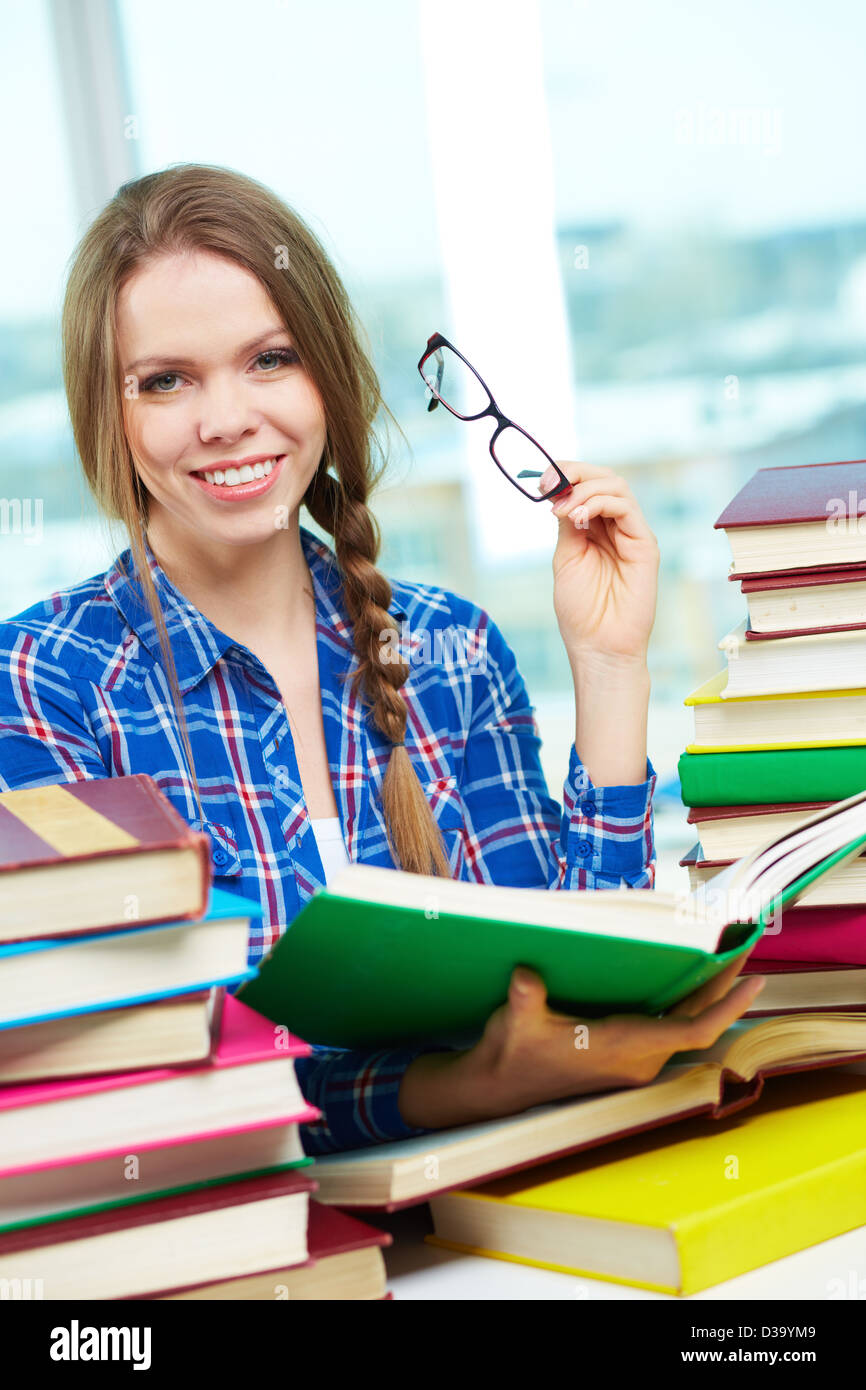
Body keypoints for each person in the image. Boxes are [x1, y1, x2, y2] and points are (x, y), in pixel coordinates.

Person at [0, 165, 764, 1154]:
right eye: (166, 380)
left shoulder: (449, 649)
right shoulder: (42, 685)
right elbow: (147, 1077)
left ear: (328, 375)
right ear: (109, 417)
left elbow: (578, 992)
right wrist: (457, 1085)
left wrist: (609, 670)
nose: (225, 417)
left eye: (268, 360)